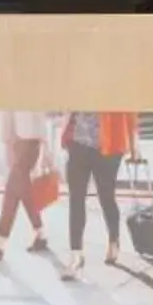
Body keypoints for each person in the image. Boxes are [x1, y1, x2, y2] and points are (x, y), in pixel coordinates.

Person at [59, 109, 135, 280]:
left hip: (109, 147)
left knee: (106, 198)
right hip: (78, 143)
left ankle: (114, 240)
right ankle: (76, 255)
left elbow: (131, 111)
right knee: (76, 200)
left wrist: (134, 145)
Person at [0, 109, 54, 265]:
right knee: (24, 193)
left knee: (11, 194)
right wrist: (45, 146)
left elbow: (7, 114)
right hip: (27, 143)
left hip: (25, 144)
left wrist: (8, 145)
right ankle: (40, 235)